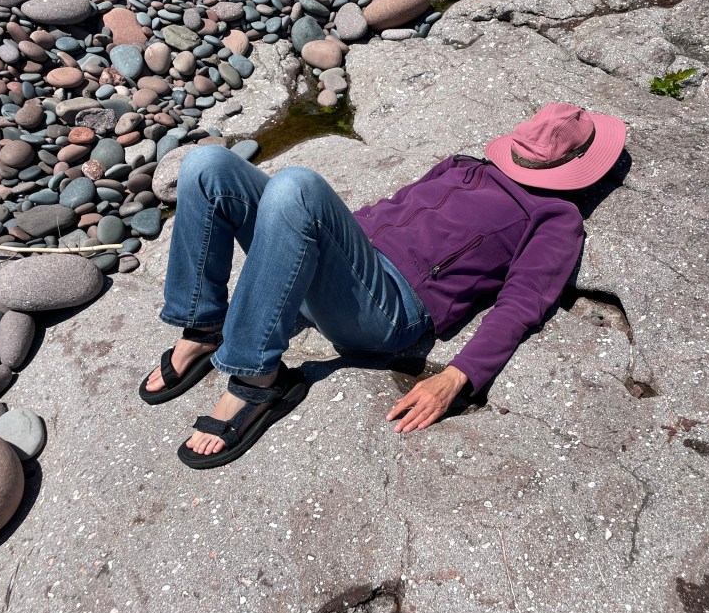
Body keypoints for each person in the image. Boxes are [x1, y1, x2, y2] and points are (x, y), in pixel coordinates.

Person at [140, 102, 627, 469]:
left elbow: (522, 304)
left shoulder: (555, 217)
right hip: (337, 266)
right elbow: (391, 208)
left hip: (388, 309)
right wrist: (316, 236)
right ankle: (203, 326)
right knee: (207, 165)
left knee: (296, 186)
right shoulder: (464, 165)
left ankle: (256, 380)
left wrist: (457, 377)